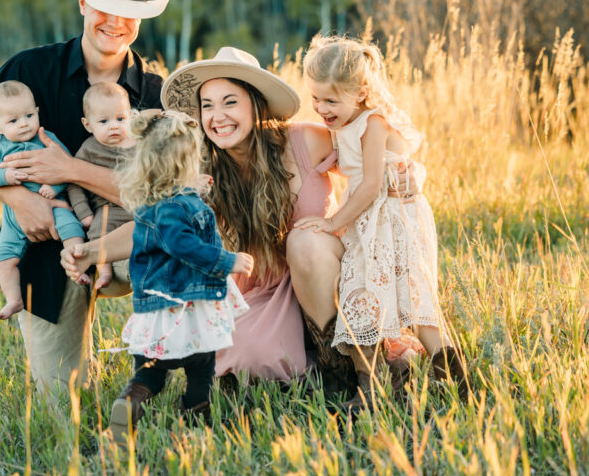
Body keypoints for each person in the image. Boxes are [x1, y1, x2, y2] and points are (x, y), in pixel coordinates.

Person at [62, 47, 419, 398]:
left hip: (322, 272)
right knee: (244, 354)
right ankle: (321, 365)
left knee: (303, 240)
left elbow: (375, 156)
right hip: (262, 290)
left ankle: (348, 370)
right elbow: (157, 227)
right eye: (208, 106)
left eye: (230, 102)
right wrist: (91, 251)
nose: (218, 116)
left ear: (254, 103)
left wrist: (411, 173)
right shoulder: (197, 166)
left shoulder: (305, 141)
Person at [0, 0, 173, 393]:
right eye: (104, 8)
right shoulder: (28, 69)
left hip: (127, 238)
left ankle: (156, 370)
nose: (115, 23)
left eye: (128, 13)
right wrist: (19, 201)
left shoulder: (155, 94)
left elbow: (162, 198)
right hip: (43, 243)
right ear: (82, 3)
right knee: (62, 396)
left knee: (174, 246)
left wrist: (70, 169)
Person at [295, 35, 467, 402]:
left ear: (360, 92)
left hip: (392, 221)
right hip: (371, 222)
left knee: (414, 295)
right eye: (315, 98)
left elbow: (372, 183)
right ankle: (371, 384)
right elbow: (357, 172)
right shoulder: (346, 123)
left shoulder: (374, 122)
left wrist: (332, 221)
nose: (320, 108)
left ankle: (452, 375)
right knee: (363, 298)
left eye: (330, 99)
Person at [108, 110, 252, 446]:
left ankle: (130, 401)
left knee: (151, 371)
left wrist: (194, 187)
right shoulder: (177, 208)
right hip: (187, 305)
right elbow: (181, 244)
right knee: (201, 367)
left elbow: (172, 219)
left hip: (156, 309)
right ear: (186, 163)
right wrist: (226, 261)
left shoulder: (154, 202)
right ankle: (196, 421)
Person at [0, 80, 86, 321]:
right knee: (4, 259)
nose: (23, 123)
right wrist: (4, 175)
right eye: (13, 121)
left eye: (27, 115)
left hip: (54, 204)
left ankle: (77, 266)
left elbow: (67, 168)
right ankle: (13, 300)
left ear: (37, 112)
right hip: (14, 216)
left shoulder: (47, 138)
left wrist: (52, 185)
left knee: (70, 227)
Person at [66, 82, 136, 291]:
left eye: (120, 119)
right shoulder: (88, 149)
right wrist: (83, 213)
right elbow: (73, 184)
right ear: (88, 125)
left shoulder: (139, 144)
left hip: (136, 209)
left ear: (131, 117)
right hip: (108, 210)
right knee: (98, 229)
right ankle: (104, 270)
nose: (113, 126)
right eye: (103, 121)